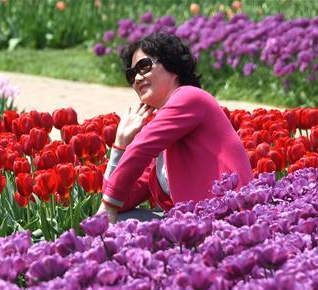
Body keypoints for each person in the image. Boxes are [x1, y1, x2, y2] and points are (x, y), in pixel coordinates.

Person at [96, 32, 252, 223]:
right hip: (196, 223)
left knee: (117, 223)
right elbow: (124, 201)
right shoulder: (165, 145)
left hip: (227, 219)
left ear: (172, 65)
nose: (137, 78)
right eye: (131, 74)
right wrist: (120, 145)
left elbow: (142, 148)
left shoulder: (190, 97)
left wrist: (107, 207)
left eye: (143, 67)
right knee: (123, 220)